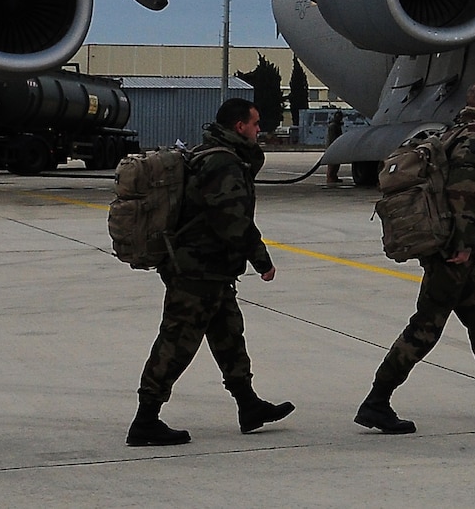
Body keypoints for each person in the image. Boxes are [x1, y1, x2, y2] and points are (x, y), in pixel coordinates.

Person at [355, 81, 475, 433]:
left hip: (456, 249)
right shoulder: (474, 140)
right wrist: (462, 245)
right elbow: (465, 194)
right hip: (453, 251)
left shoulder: (460, 132)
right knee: (426, 327)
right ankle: (376, 401)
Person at [128, 98, 295, 446]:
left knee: (230, 337)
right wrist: (262, 260)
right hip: (196, 272)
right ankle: (145, 420)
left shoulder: (218, 155)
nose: (258, 129)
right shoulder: (223, 164)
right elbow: (234, 222)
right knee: (176, 343)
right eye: (255, 123)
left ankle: (248, 406)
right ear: (239, 126)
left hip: (212, 271)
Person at [324, 109, 345, 188]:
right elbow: (333, 138)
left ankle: (333, 176)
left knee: (336, 163)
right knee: (332, 164)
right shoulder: (333, 126)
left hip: (334, 146)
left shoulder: (336, 125)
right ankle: (330, 177)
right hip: (332, 147)